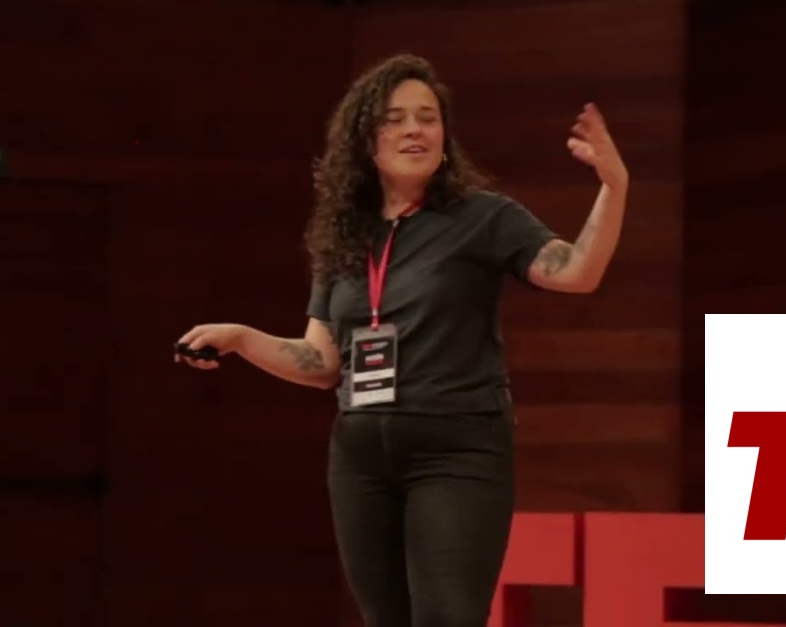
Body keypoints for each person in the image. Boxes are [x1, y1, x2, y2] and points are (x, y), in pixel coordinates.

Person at [175, 54, 629, 627]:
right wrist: (241, 338)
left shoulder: (483, 217)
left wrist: (614, 185)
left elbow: (577, 272)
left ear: (444, 135)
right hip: (362, 458)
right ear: (366, 140)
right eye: (395, 119)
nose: (414, 129)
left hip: (456, 448)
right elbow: (321, 362)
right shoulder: (345, 234)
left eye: (427, 118)